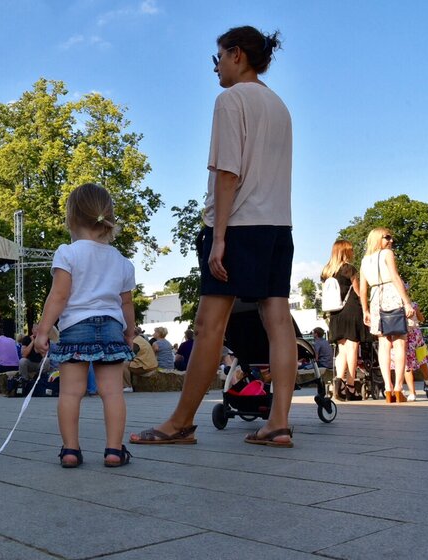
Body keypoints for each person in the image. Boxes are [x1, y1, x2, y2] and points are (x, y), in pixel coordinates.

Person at [130, 26, 296, 447]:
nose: (216, 67)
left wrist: (218, 237)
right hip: (279, 225)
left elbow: (227, 172)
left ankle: (181, 423)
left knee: (208, 326)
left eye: (218, 57)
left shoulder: (230, 99)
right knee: (278, 323)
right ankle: (278, 422)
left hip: (239, 225)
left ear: (237, 55)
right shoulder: (279, 106)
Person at [34, 182, 135, 467]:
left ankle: (71, 450)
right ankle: (114, 450)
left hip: (76, 327)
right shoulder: (123, 261)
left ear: (72, 217)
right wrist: (129, 333)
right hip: (113, 328)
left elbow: (59, 295)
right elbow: (127, 304)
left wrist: (43, 330)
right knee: (112, 392)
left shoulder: (67, 253)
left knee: (70, 392)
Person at [359, 228, 414, 403]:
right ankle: (398, 387)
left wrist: (365, 310)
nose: (391, 241)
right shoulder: (387, 254)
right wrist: (406, 302)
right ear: (377, 239)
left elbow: (362, 289)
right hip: (391, 293)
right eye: (387, 237)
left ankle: (388, 388)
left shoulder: (365, 260)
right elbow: (395, 277)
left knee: (383, 344)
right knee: (399, 343)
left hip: (375, 297)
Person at [321, 240, 365, 401]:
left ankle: (338, 382)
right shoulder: (349, 269)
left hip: (335, 313)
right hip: (351, 309)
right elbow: (358, 291)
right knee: (352, 348)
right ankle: (351, 386)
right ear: (346, 252)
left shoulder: (326, 271)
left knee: (342, 349)